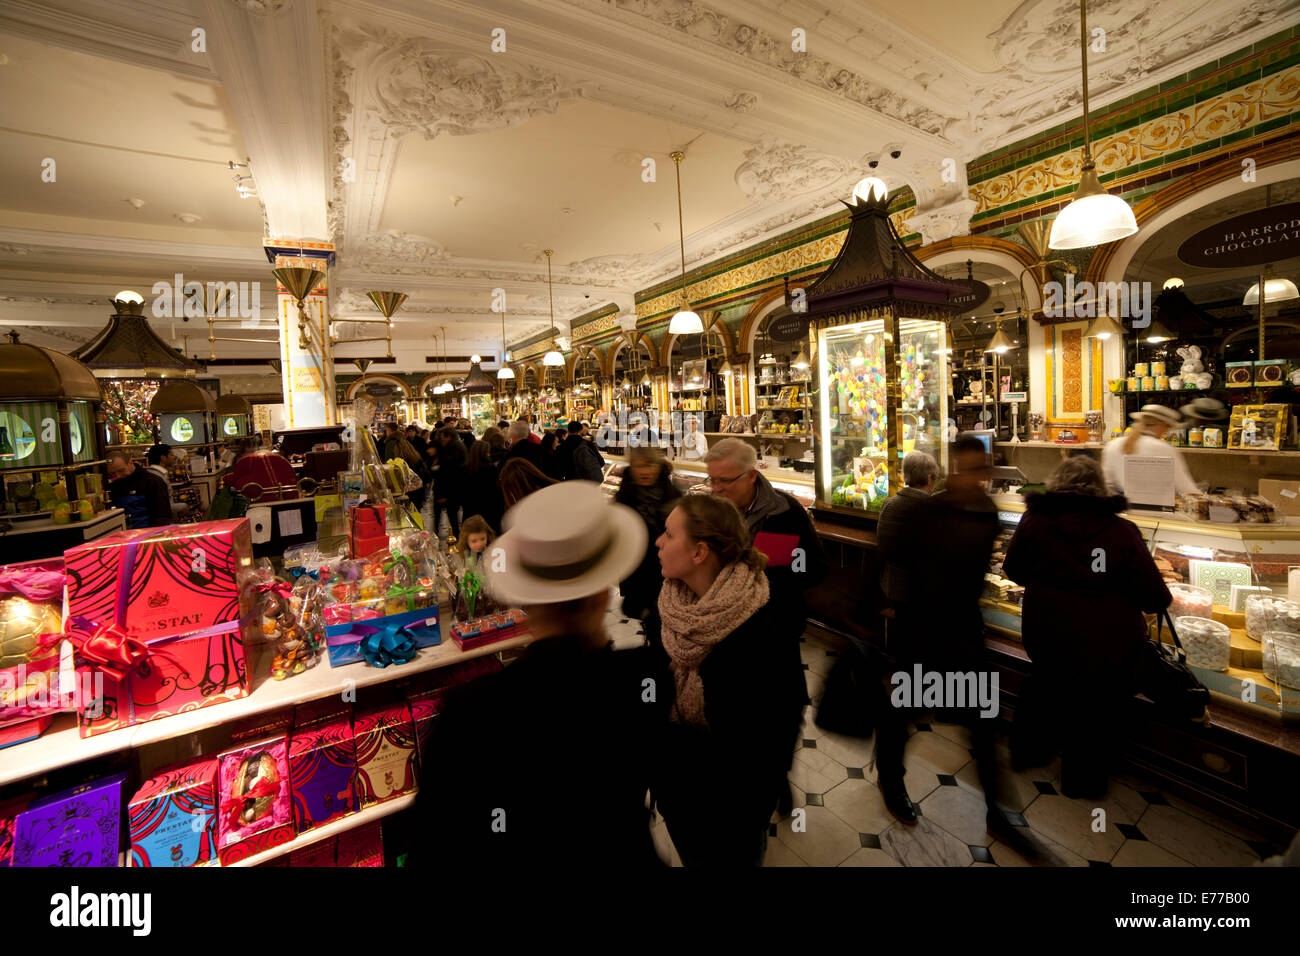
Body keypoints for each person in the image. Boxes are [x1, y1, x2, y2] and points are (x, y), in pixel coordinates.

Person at [411, 481, 663, 867]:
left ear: (525, 600)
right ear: (601, 594)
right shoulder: (643, 683)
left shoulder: (470, 712)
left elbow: (431, 845)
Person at [1003, 455, 1172, 798]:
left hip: (1045, 631)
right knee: (1093, 710)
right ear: (1099, 488)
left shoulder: (1035, 520)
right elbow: (1156, 597)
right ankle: (1082, 784)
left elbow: (1014, 570)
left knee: (1045, 682)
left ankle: (1027, 753)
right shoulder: (1121, 531)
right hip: (1105, 643)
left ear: (1057, 482)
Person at [652, 494, 803, 867]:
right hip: (681, 802)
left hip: (732, 816)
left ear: (699, 552)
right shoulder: (673, 608)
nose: (658, 541)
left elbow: (770, 743)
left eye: (669, 535)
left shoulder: (762, 629)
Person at [911, 435, 1025, 845]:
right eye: (969, 468)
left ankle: (998, 812)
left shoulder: (987, 513)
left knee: (983, 724)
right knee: (901, 715)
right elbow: (905, 564)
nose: (976, 477)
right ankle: (890, 779)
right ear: (953, 468)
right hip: (922, 630)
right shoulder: (931, 511)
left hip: (962, 630)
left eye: (983, 469)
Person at [701, 438, 827, 642]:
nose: (716, 488)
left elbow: (814, 568)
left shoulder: (785, 512)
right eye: (712, 480)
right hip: (723, 629)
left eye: (725, 480)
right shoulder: (709, 513)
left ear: (751, 476)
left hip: (776, 626)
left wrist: (773, 575)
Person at [613, 446, 682, 631]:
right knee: (643, 615)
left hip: (665, 569)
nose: (645, 471)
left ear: (659, 467)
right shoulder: (624, 495)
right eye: (639, 466)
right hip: (635, 569)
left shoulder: (671, 494)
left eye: (650, 465)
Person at [1101, 404, 1197, 498]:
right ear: (1162, 425)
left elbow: (1106, 484)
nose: (1166, 431)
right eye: (1167, 427)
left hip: (1124, 510)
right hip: (1159, 511)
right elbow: (1185, 487)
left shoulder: (1112, 445)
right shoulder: (1166, 449)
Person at [106, 450, 171, 529]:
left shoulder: (152, 481)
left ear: (130, 462)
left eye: (121, 470)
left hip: (146, 533)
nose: (118, 476)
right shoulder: (113, 486)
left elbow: (162, 516)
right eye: (113, 473)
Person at [462, 438, 505, 533]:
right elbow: (496, 491)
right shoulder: (490, 469)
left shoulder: (465, 469)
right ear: (485, 453)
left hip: (471, 509)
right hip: (489, 509)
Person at [432, 426, 467, 539]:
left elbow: (448, 473)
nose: (441, 439)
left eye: (443, 437)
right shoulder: (456, 447)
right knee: (451, 516)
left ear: (449, 436)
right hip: (453, 489)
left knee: (451, 515)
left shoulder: (452, 450)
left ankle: (456, 538)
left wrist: (443, 494)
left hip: (450, 490)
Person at [146, 443, 189, 519]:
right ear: (163, 458)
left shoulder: (152, 473)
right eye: (171, 455)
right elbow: (162, 505)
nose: (174, 457)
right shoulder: (158, 477)